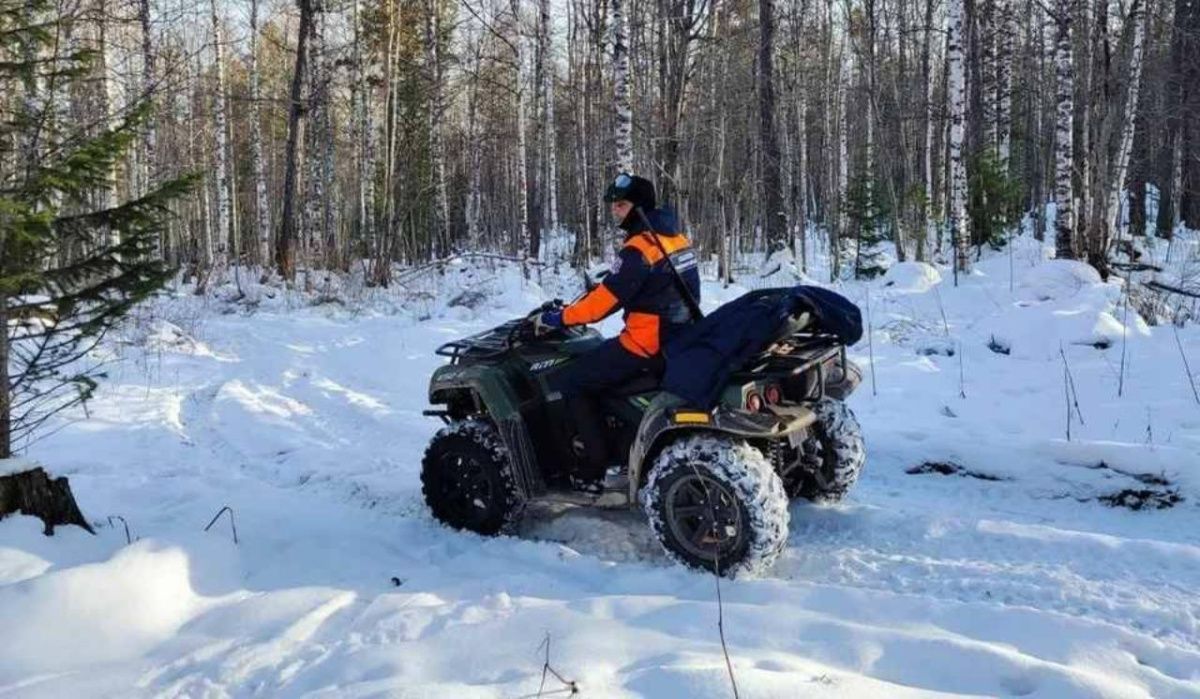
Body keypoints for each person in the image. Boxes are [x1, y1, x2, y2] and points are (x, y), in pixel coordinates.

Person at [536, 173, 701, 489]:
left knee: (571, 380)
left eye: (621, 205)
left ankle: (590, 468)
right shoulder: (675, 238)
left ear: (638, 207)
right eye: (614, 205)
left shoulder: (639, 248)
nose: (615, 212)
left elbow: (600, 306)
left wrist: (559, 318)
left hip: (646, 343)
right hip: (680, 335)